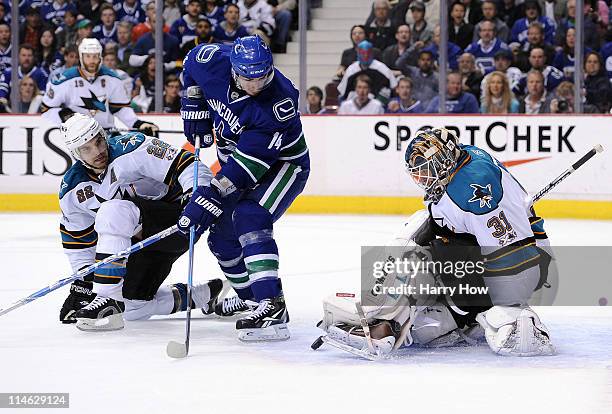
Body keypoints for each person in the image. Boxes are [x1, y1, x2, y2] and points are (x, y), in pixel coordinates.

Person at [314, 127, 554, 358]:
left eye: (425, 168)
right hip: (513, 264)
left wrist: (508, 306)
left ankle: (379, 320)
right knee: (426, 328)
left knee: (415, 255)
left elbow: (510, 253)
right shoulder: (463, 158)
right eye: (416, 172)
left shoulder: (473, 186)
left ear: (443, 159)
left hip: (518, 267)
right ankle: (398, 320)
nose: (421, 177)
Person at [178, 35, 309, 342]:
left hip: (281, 166)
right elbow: (190, 64)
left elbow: (247, 169)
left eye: (262, 77)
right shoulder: (211, 61)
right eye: (248, 78)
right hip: (235, 162)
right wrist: (193, 101)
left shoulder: (279, 102)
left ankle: (271, 304)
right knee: (222, 241)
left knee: (249, 216)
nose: (255, 85)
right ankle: (252, 299)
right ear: (234, 69)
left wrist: (208, 195)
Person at [57, 113, 224, 330]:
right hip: (143, 245)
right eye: (86, 148)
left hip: (176, 224)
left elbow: (189, 164)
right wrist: (84, 282)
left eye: (98, 141)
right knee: (134, 307)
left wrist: (195, 197)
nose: (97, 151)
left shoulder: (134, 147)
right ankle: (205, 294)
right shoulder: (71, 190)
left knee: (111, 210)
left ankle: (107, 296)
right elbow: (78, 244)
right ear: (75, 154)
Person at [41, 38, 158, 136]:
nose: (91, 61)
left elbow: (120, 108)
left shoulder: (113, 78)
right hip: (77, 136)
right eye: (88, 56)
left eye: (95, 56)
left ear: (100, 57)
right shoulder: (64, 80)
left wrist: (138, 124)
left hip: (106, 133)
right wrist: (65, 116)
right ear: (81, 58)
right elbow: (46, 109)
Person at [337, 40, 397, 105]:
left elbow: (394, 88)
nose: (365, 56)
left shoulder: (382, 68)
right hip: (355, 107)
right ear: (358, 53)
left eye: (367, 53)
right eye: (363, 53)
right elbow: (343, 93)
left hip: (378, 106)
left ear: (371, 53)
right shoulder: (351, 69)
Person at [0, 44, 48, 111]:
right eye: (23, 55)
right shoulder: (9, 72)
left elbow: (44, 95)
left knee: (39, 98)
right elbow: (2, 89)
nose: (26, 58)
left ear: (34, 57)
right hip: (10, 108)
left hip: (34, 111)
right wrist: (2, 98)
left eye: (29, 55)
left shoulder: (41, 74)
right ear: (18, 56)